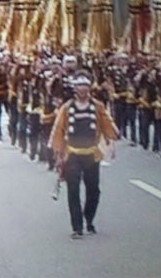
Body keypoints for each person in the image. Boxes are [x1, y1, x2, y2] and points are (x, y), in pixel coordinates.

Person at [49, 71, 118, 239]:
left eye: (85, 86)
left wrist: (111, 140)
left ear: (89, 88)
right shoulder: (66, 108)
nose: (82, 89)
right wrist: (58, 154)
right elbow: (58, 130)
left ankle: (89, 219)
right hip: (72, 154)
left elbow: (107, 123)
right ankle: (77, 226)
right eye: (79, 86)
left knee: (93, 190)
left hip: (91, 154)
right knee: (73, 190)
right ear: (75, 89)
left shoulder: (98, 106)